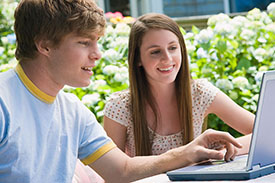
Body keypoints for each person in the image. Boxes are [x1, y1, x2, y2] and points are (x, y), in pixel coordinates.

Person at [0, 1, 243, 182]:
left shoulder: (73, 111)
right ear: (44, 45)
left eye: (97, 42)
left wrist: (190, 152)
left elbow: (121, 170)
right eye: (84, 42)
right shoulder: (4, 102)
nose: (97, 54)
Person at [103, 13, 255, 158]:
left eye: (173, 48)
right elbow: (113, 174)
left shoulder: (200, 93)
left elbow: (267, 132)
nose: (167, 58)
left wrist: (221, 152)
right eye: (155, 52)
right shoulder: (120, 107)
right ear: (138, 59)